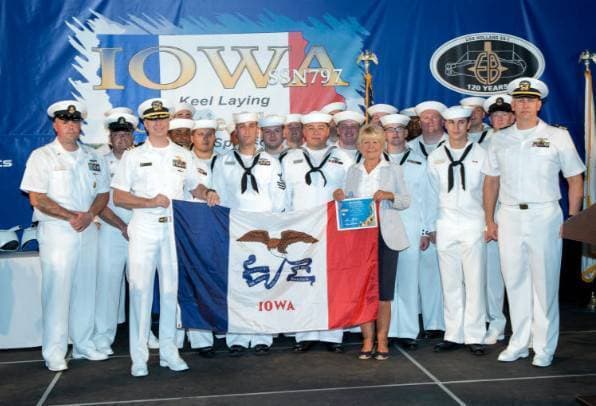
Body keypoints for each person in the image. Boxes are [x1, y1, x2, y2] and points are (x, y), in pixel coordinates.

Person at [483, 77, 585, 367]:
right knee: (514, 281)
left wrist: (573, 216)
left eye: (530, 100)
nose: (524, 105)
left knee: (544, 283)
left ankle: (543, 347)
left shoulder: (557, 136)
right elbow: (491, 182)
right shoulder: (499, 138)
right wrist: (489, 220)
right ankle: (519, 342)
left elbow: (575, 179)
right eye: (519, 100)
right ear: (513, 104)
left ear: (539, 104)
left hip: (545, 215)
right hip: (510, 215)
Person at [112, 98, 206, 377]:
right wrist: (149, 201)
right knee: (140, 291)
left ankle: (168, 352)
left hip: (174, 228)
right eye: (153, 120)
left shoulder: (183, 154)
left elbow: (193, 186)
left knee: (169, 292)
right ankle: (139, 357)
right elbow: (118, 196)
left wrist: (207, 192)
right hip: (144, 226)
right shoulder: (133, 155)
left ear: (169, 121)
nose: (158, 124)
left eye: (163, 118)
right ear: (144, 124)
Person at [20, 100, 110, 371]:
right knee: (57, 293)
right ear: (55, 125)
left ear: (81, 125)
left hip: (88, 229)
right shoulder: (42, 156)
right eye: (65, 121)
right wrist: (73, 216)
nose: (71, 126)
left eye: (75, 121)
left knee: (86, 290)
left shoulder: (93, 157)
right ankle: (55, 352)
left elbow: (103, 193)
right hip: (59, 232)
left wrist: (88, 214)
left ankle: (83, 345)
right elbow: (36, 197)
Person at [211, 111, 286, 355]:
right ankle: (238, 337)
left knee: (263, 282)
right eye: (242, 127)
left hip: (264, 229)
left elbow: (279, 198)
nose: (247, 131)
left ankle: (262, 335)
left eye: (251, 126)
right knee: (238, 284)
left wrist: (273, 226)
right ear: (236, 131)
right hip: (236, 230)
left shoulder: (271, 162)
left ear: (258, 130)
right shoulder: (224, 161)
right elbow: (219, 197)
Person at [334, 124, 410, 360]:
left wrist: (389, 196)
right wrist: (339, 197)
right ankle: (367, 339)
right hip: (359, 238)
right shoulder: (353, 171)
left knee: (384, 292)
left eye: (375, 142)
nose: (370, 147)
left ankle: (383, 339)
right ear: (359, 146)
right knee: (363, 291)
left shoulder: (394, 169)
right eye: (366, 143)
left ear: (383, 145)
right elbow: (347, 203)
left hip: (386, 236)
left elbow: (405, 200)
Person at [282, 111, 354, 352]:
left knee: (333, 281)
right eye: (310, 128)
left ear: (329, 131)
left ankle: (333, 335)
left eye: (321, 128)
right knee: (303, 280)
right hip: (300, 229)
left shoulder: (342, 157)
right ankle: (305, 334)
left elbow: (353, 191)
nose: (315, 132)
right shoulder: (290, 158)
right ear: (303, 131)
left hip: (333, 229)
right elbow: (284, 198)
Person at [427, 105, 488, 355]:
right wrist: (430, 227)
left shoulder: (482, 153)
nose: (456, 128)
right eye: (451, 123)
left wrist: (488, 223)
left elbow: (489, 190)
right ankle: (453, 334)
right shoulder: (436, 156)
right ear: (445, 126)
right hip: (445, 223)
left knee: (474, 280)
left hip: (474, 222)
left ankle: (475, 335)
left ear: (468, 124)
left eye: (461, 123)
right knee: (450, 282)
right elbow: (430, 194)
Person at [381, 113, 434, 350]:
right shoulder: (373, 161)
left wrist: (425, 230)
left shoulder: (420, 162)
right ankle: (389, 330)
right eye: (390, 130)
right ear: (384, 134)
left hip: (411, 224)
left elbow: (426, 199)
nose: (394, 134)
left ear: (406, 133)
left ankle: (409, 331)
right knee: (387, 283)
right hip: (382, 225)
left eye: (399, 130)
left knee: (409, 280)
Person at [92, 108, 137, 355]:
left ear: (133, 136)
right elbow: (98, 200)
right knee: (108, 284)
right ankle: (102, 337)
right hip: (112, 230)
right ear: (110, 137)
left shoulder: (143, 158)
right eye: (116, 133)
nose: (121, 138)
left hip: (141, 230)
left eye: (126, 133)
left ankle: (142, 334)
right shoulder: (97, 159)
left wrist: (136, 226)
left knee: (139, 286)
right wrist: (121, 226)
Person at [477, 94, 515, 344]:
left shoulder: (523, 140)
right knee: (491, 275)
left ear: (513, 116)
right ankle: (496, 323)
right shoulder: (482, 142)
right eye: (495, 115)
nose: (499, 119)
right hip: (488, 214)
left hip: (515, 213)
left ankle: (529, 327)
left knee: (521, 274)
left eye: (504, 115)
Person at [408, 100, 448, 338]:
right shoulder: (409, 147)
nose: (429, 122)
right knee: (428, 272)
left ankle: (445, 323)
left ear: (443, 120)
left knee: (453, 276)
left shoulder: (454, 145)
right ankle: (431, 323)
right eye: (425, 118)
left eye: (434, 117)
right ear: (419, 121)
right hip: (421, 218)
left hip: (450, 216)